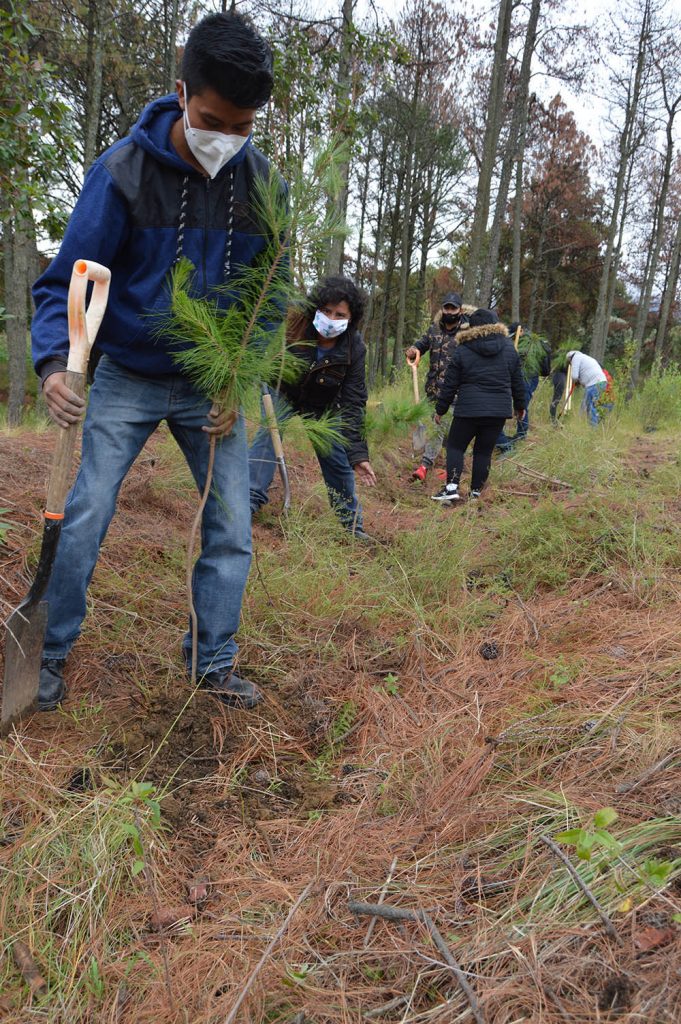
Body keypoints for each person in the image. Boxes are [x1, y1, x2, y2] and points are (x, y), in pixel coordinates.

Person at [31, 12, 281, 712]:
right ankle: (45, 654)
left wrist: (242, 371)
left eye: (243, 127)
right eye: (212, 120)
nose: (226, 139)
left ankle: (213, 660)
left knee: (231, 522)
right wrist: (55, 363)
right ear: (181, 92)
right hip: (128, 377)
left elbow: (268, 296)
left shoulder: (262, 186)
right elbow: (68, 282)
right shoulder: (122, 174)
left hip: (214, 387)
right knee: (85, 511)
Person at [249, 276, 377, 540]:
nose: (330, 318)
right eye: (326, 311)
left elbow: (353, 402)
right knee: (267, 439)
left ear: (350, 319)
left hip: (321, 404)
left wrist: (358, 454)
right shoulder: (295, 321)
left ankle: (351, 526)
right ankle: (248, 502)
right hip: (282, 391)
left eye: (339, 314)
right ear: (316, 308)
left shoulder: (354, 348)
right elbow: (263, 340)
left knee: (337, 460)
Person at [431, 309, 525, 502]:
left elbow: (450, 384)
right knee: (483, 451)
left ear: (471, 327)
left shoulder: (463, 349)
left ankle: (451, 489)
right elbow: (518, 382)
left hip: (468, 410)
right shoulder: (509, 349)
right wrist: (520, 406)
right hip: (498, 411)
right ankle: (476, 493)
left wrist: (440, 409)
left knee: (456, 446)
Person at [405, 292, 466, 481]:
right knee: (430, 427)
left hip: (453, 394)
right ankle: (438, 464)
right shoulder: (434, 330)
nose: (449, 311)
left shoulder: (466, 333)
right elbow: (421, 344)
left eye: (453, 308)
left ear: (460, 310)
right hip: (432, 391)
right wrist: (414, 349)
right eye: (446, 307)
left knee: (443, 430)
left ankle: (427, 465)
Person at [496, 321, 551, 451]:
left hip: (527, 376)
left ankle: (521, 434)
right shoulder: (531, 343)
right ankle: (519, 433)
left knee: (523, 405)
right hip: (531, 377)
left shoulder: (528, 344)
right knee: (522, 404)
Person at [565, 350, 609, 425]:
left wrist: (577, 381)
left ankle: (593, 428)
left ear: (570, 358)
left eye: (569, 362)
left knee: (592, 407)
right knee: (592, 406)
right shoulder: (586, 357)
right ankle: (595, 426)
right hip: (602, 382)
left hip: (594, 384)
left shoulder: (576, 358)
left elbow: (574, 376)